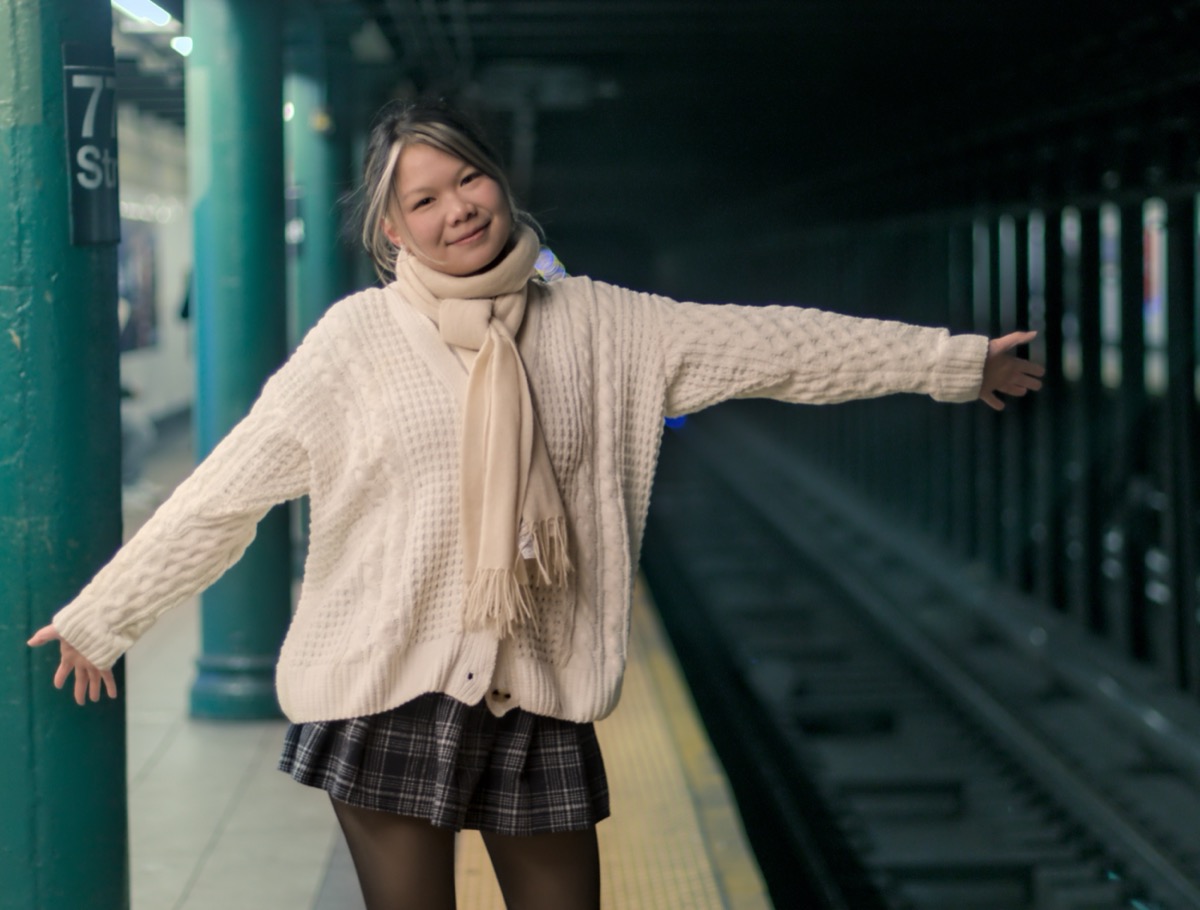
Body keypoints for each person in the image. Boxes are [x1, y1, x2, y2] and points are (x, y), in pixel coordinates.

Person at [28, 100, 1044, 910]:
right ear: (392, 232)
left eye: (467, 177)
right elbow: (224, 491)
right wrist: (106, 615)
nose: (457, 208)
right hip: (382, 687)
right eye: (423, 201)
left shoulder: (607, 325)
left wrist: (951, 363)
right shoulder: (354, 343)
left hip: (539, 693)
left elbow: (777, 343)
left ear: (499, 179)